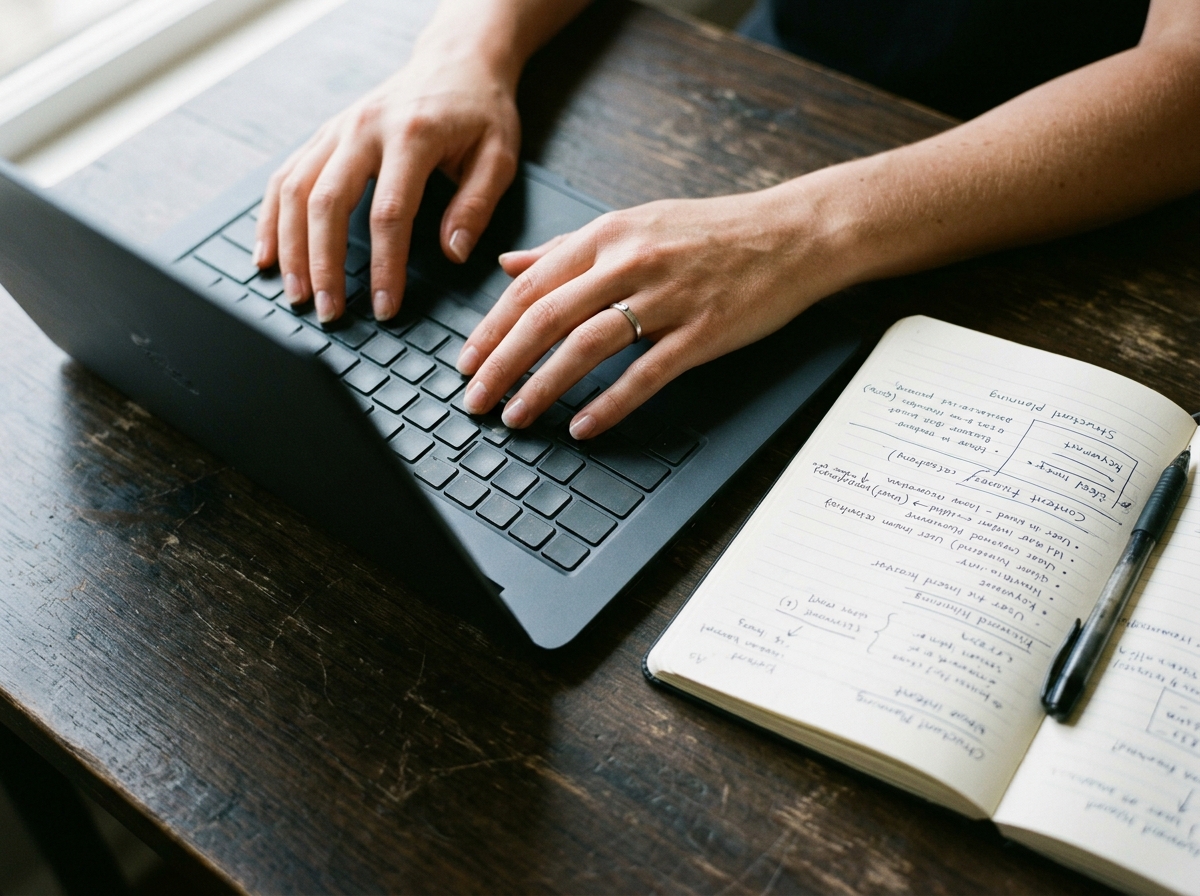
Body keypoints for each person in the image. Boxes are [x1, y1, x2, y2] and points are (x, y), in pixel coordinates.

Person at [252, 0, 1200, 442]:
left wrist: (799, 231)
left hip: (1073, 192)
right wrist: (461, 48)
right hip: (773, 90)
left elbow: (1185, 80)